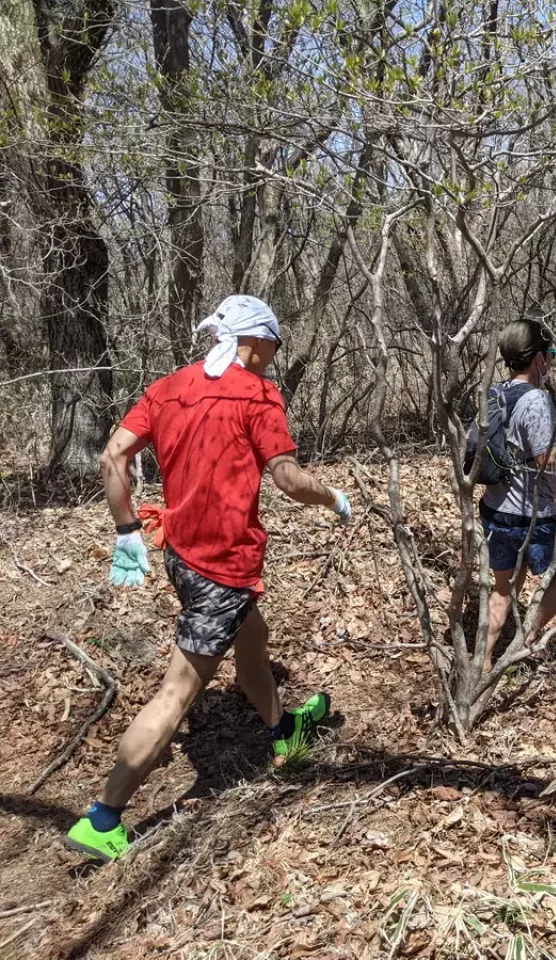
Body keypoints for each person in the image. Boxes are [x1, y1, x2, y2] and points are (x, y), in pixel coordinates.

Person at [64, 295, 353, 863]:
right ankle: (104, 818)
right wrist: (333, 498)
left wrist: (127, 530)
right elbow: (289, 480)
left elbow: (112, 457)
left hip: (181, 553)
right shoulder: (257, 394)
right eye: (274, 344)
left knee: (253, 641)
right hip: (222, 566)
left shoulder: (168, 388)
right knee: (177, 692)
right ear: (255, 340)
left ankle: (282, 730)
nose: (275, 355)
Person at [479, 316, 556, 673]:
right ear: (538, 358)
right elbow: (546, 459)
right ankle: (527, 638)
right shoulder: (537, 400)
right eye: (551, 355)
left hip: (494, 509)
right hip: (533, 515)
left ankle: (482, 665)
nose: (552, 362)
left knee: (503, 590)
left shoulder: (494, 393)